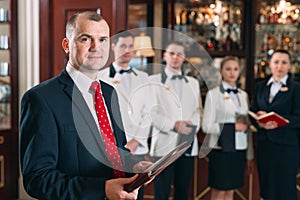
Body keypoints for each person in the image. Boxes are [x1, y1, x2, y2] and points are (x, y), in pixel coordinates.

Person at [20, 11, 150, 200]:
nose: (96, 47)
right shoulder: (41, 99)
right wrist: (102, 189)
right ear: (67, 45)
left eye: (103, 39)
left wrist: (134, 164)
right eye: (85, 39)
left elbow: (115, 149)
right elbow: (37, 179)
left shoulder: (109, 92)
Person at [99, 30, 151, 199]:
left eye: (131, 46)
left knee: (137, 194)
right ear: (113, 47)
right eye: (123, 45)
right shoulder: (100, 76)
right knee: (115, 193)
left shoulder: (144, 78)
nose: (127, 50)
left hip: (138, 148)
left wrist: (136, 141)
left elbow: (148, 112)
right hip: (111, 148)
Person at [148, 41, 201, 200]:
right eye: (172, 53)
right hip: (164, 143)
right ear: (165, 56)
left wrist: (189, 126)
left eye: (180, 54)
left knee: (183, 191)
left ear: (184, 58)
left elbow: (198, 110)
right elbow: (152, 112)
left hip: (187, 143)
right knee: (161, 191)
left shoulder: (193, 82)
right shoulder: (153, 81)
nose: (175, 57)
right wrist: (174, 125)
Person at [250, 49, 300, 200]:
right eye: (276, 62)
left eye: (284, 62)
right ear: (270, 64)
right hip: (264, 145)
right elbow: (253, 111)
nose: (280, 66)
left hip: (286, 147)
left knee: (285, 189)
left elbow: (298, 118)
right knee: (267, 188)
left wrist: (278, 120)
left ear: (289, 66)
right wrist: (259, 120)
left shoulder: (296, 88)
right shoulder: (260, 86)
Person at [202, 56, 254, 200]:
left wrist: (250, 155)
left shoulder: (243, 95)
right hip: (221, 149)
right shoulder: (213, 94)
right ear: (221, 72)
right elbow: (206, 126)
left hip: (239, 149)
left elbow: (247, 127)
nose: (232, 73)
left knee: (231, 189)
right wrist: (232, 127)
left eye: (235, 69)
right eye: (228, 69)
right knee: (219, 190)